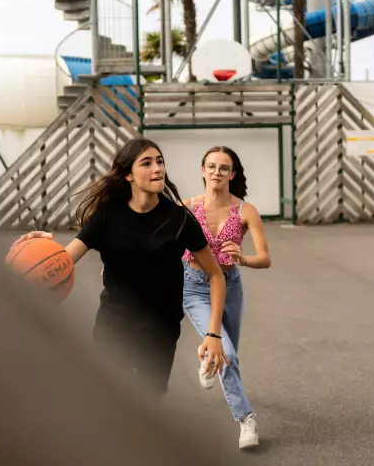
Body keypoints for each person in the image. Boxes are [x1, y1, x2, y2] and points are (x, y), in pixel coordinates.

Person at [12, 138, 228, 395]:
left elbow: (215, 275)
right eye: (146, 163)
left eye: (160, 161)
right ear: (128, 175)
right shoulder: (107, 216)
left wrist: (213, 334)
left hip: (160, 330)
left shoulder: (180, 220)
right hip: (114, 325)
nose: (157, 168)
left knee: (149, 402)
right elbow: (62, 262)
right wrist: (33, 253)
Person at [181, 146, 272, 450]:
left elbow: (265, 258)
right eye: (211, 166)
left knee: (229, 352)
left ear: (232, 174)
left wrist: (243, 259)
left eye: (223, 168)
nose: (216, 172)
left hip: (231, 286)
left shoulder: (245, 210)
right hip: (194, 286)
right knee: (227, 354)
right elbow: (154, 240)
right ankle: (246, 419)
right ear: (202, 170)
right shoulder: (187, 207)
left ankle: (208, 355)